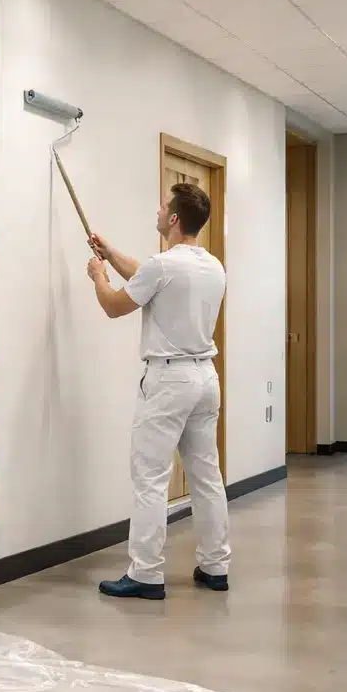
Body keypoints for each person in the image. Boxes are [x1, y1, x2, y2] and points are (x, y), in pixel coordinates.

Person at [85, 182, 233, 601]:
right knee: (207, 476)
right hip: (206, 379)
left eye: (163, 204)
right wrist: (111, 254)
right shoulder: (212, 266)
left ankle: (146, 574)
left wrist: (99, 275)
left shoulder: (164, 266)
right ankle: (215, 566)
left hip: (168, 382)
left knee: (150, 477)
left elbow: (115, 305)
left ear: (173, 218)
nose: (158, 208)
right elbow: (149, 277)